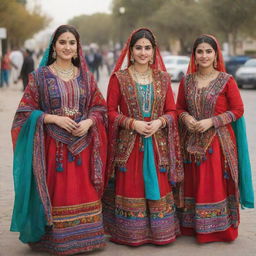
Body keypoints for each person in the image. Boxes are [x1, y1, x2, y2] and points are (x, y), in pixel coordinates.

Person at [10, 25, 108, 255]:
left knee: (83, 191)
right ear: (54, 46)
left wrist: (89, 122)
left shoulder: (87, 77)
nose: (67, 47)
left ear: (77, 48)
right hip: (53, 150)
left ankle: (87, 238)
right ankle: (56, 240)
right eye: (62, 42)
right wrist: (52, 118)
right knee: (58, 193)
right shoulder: (39, 77)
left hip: (82, 147)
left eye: (71, 43)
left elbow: (100, 108)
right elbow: (23, 113)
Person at [103, 28, 184, 246]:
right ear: (130, 50)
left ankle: (160, 233)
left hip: (157, 145)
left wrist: (158, 122)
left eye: (147, 48)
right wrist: (133, 123)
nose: (143, 52)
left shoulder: (163, 78)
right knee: (132, 185)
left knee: (157, 184)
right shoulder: (119, 78)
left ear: (154, 51)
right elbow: (109, 112)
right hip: (130, 145)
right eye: (138, 47)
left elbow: (172, 111)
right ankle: (131, 234)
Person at [176, 34, 254, 243]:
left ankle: (220, 229)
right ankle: (193, 226)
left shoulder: (226, 80)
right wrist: (187, 118)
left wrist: (212, 122)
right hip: (191, 144)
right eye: (199, 51)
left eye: (208, 51)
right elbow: (179, 108)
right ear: (194, 55)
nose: (204, 56)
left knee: (215, 184)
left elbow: (238, 110)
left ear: (216, 54)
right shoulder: (187, 81)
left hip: (219, 144)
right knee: (195, 182)